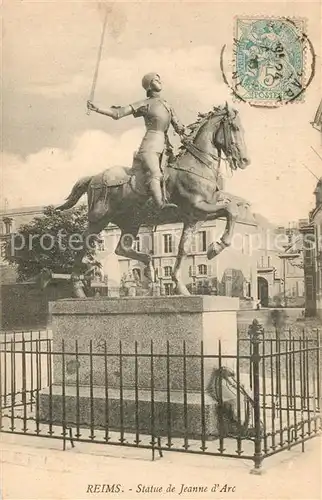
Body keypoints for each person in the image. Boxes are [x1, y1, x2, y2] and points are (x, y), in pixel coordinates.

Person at [87, 72, 188, 210]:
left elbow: (179, 127)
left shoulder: (166, 105)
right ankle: (161, 205)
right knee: (155, 173)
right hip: (150, 146)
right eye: (155, 80)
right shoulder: (144, 104)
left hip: (166, 147)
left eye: (159, 79)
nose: (160, 81)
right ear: (149, 86)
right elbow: (118, 113)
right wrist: (97, 107)